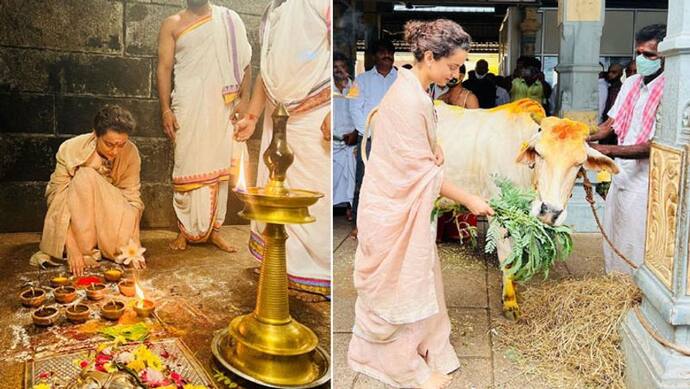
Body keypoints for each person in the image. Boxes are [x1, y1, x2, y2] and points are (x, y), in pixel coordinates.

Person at [348, 19, 494, 389]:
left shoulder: (417, 89)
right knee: (399, 286)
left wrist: (435, 147)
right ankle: (397, 365)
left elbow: (418, 148)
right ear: (429, 57)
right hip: (391, 208)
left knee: (420, 276)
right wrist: (470, 199)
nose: (457, 72)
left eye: (460, 65)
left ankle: (426, 347)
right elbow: (422, 175)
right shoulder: (408, 97)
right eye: (452, 65)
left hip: (402, 206)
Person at [233, 0, 331, 299]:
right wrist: (251, 116)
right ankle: (282, 265)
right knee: (276, 188)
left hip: (316, 113)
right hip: (276, 117)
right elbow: (268, 68)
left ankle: (319, 271)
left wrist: (336, 108)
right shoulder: (274, 9)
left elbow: (338, 56)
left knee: (314, 194)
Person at [157, 0, 252, 252]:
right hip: (187, 103)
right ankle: (184, 231)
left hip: (222, 104)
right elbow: (164, 67)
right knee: (186, 161)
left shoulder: (229, 20)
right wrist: (165, 109)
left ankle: (215, 231)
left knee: (219, 164)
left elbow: (245, 64)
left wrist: (245, 101)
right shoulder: (172, 24)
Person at [588, 24, 667, 274]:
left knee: (635, 240)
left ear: (666, 56)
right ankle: (614, 286)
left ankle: (634, 291)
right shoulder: (631, 83)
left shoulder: (671, 88)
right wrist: (574, 134)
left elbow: (653, 146)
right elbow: (608, 126)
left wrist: (607, 150)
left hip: (646, 180)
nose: (641, 60)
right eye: (639, 53)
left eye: (650, 55)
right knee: (613, 233)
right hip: (621, 174)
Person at [30, 105, 145, 276]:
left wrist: (133, 245)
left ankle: (104, 246)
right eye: (109, 144)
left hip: (110, 214)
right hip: (80, 218)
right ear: (95, 134)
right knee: (85, 175)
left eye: (121, 145)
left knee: (124, 248)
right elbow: (57, 198)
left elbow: (132, 199)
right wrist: (73, 248)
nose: (115, 151)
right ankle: (85, 249)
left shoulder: (131, 153)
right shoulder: (70, 149)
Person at [349, 38, 398, 238]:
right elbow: (354, 109)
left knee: (394, 182)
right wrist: (370, 133)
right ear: (374, 56)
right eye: (382, 52)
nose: (386, 56)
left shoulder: (402, 79)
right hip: (368, 141)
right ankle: (359, 225)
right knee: (364, 181)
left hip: (396, 141)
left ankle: (391, 227)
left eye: (390, 53)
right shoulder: (361, 80)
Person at [333, 52, 358, 219]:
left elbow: (360, 112)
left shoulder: (355, 87)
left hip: (351, 141)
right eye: (335, 67)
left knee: (352, 177)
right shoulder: (327, 88)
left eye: (342, 67)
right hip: (332, 142)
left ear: (348, 69)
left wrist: (356, 133)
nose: (339, 70)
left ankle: (350, 207)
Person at [600, 63, 624, 144]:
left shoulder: (622, 90)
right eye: (609, 72)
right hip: (605, 124)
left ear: (621, 73)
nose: (610, 74)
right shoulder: (608, 87)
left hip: (614, 128)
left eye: (614, 72)